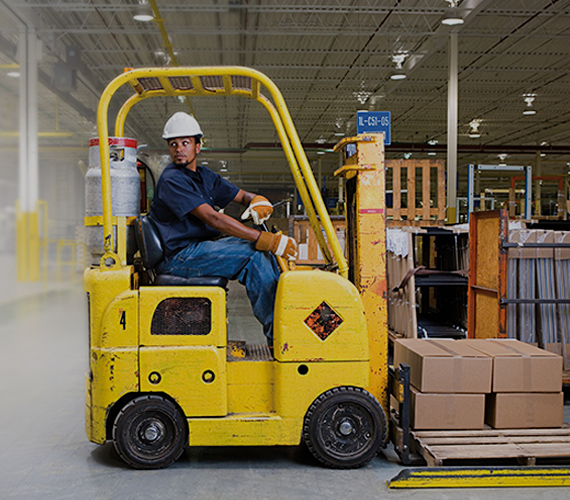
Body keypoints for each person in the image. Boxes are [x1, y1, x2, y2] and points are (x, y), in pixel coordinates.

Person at [149, 111, 297, 346]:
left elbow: (241, 195)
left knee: (261, 252)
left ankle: (286, 325)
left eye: (185, 143)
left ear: (198, 146)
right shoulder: (172, 179)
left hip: (199, 249)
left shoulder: (205, 176)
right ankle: (281, 339)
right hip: (179, 257)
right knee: (253, 255)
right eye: (173, 144)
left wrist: (256, 200)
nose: (179, 149)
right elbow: (213, 219)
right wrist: (264, 238)